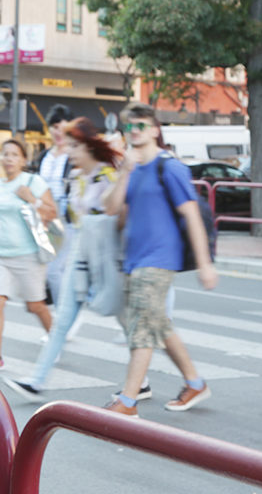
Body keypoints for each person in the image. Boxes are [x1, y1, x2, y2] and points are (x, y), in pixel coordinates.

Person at [102, 102, 217, 416]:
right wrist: (124, 171)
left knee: (141, 327)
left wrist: (205, 264)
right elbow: (111, 208)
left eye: (141, 124)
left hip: (159, 260)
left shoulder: (171, 167)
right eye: (130, 126)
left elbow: (192, 215)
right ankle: (195, 383)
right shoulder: (132, 169)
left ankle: (127, 402)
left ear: (155, 130)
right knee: (159, 325)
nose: (134, 130)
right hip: (134, 259)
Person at [4, 117, 123, 401]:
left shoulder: (108, 176)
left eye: (73, 146)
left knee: (128, 321)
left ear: (87, 146)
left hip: (105, 256)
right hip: (81, 254)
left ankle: (160, 379)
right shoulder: (78, 177)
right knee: (62, 320)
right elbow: (73, 222)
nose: (69, 152)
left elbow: (116, 216)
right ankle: (37, 380)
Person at [0, 138, 57, 373]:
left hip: (28, 255)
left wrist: (32, 199)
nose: (9, 158)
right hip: (0, 254)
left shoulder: (33, 182)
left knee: (35, 305)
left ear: (23, 160)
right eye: (5, 154)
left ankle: (55, 340)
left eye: (14, 154)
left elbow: (52, 213)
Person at [34, 103, 75, 303]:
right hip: (44, 219)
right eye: (54, 127)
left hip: (66, 219)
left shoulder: (74, 156)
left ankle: (62, 319)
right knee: (48, 269)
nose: (58, 132)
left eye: (63, 128)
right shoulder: (44, 157)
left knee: (54, 271)